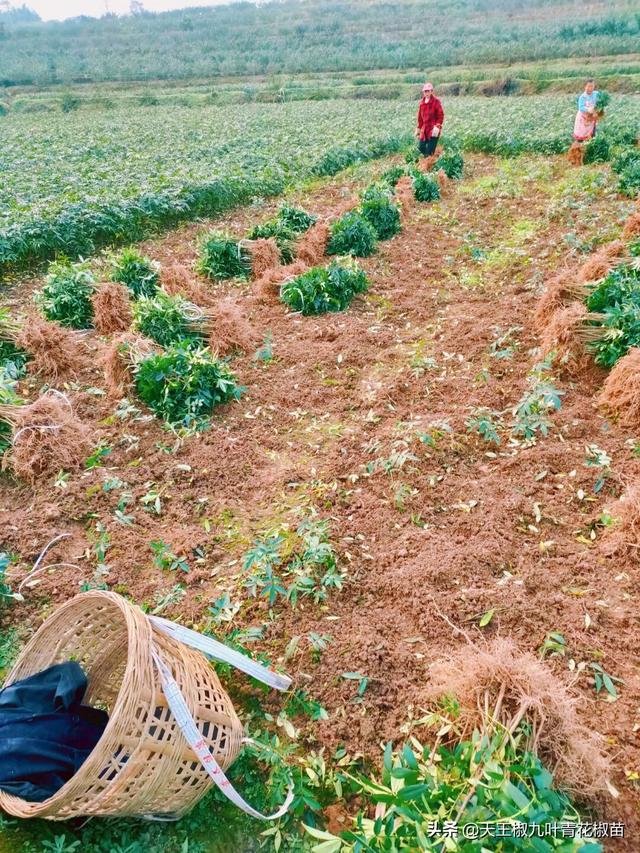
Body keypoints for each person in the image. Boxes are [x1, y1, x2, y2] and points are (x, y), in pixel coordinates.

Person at [415, 82, 444, 158]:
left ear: (431, 91)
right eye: (425, 91)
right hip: (424, 130)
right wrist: (418, 128)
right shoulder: (422, 103)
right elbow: (420, 118)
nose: (427, 93)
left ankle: (429, 163)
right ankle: (430, 159)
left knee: (429, 152)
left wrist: (437, 126)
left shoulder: (436, 102)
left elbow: (440, 115)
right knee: (421, 148)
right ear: (423, 92)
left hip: (433, 129)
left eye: (428, 91)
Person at [573, 78, 599, 143]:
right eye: (588, 86)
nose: (590, 88)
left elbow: (601, 101)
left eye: (592, 86)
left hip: (592, 117)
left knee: (592, 133)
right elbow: (581, 107)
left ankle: (591, 145)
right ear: (585, 86)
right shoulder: (582, 97)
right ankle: (579, 147)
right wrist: (588, 109)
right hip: (583, 118)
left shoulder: (596, 94)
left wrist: (598, 109)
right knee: (581, 134)